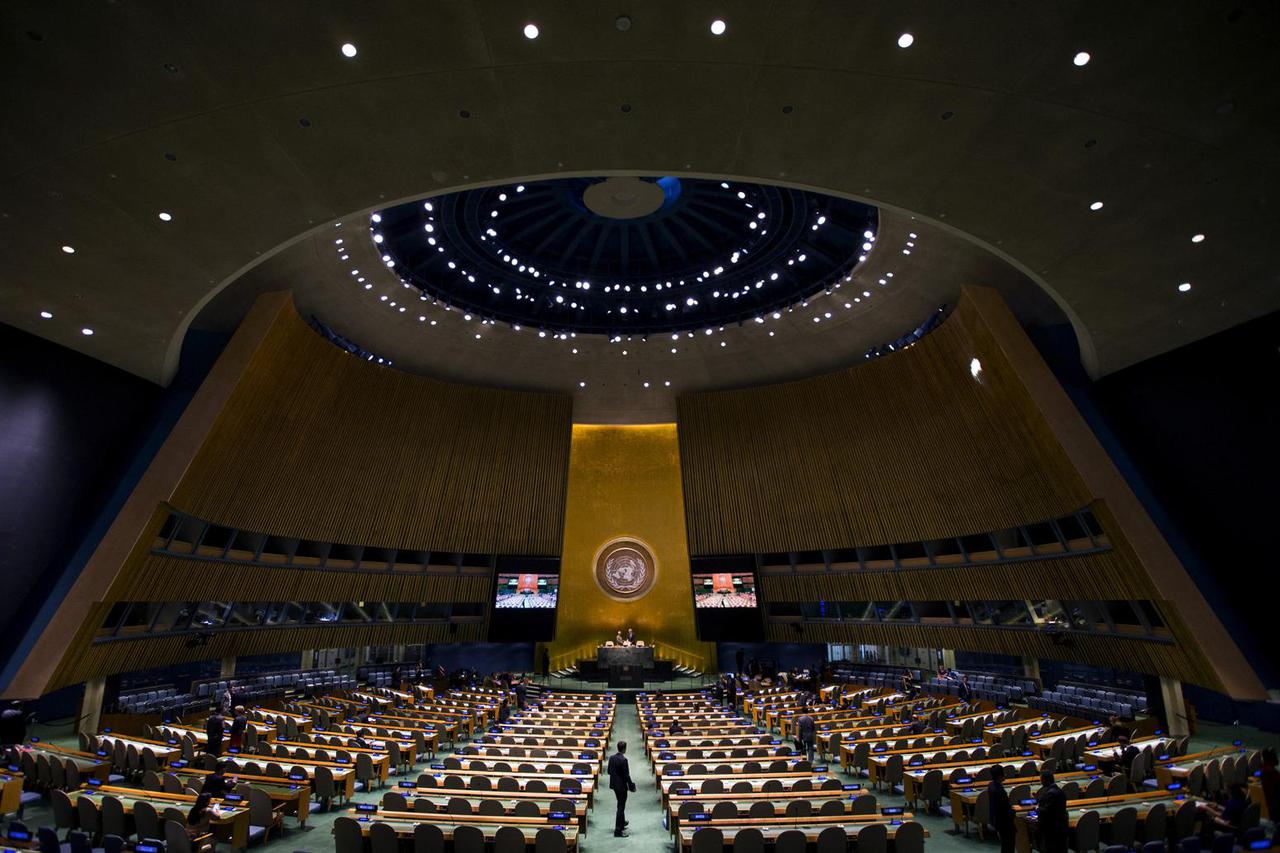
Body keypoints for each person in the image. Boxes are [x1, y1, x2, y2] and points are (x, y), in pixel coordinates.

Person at [1035, 771, 1069, 853]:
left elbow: (1047, 811)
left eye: (1042, 780)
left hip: (1052, 829)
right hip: (1061, 826)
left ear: (1047, 780)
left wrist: (1037, 809)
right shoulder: (1059, 791)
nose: (1041, 782)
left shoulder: (1051, 794)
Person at [607, 740, 636, 837]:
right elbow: (626, 776)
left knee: (620, 804)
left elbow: (609, 772)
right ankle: (618, 831)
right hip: (622, 787)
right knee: (621, 807)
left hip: (614, 785)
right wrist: (631, 786)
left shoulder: (611, 758)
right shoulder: (624, 760)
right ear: (624, 749)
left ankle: (622, 823)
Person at [988, 763, 1015, 853]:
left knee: (1005, 846)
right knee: (1008, 846)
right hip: (1005, 822)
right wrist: (1014, 812)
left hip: (997, 820)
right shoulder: (999, 791)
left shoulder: (991, 786)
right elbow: (1005, 808)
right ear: (1000, 776)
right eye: (1003, 773)